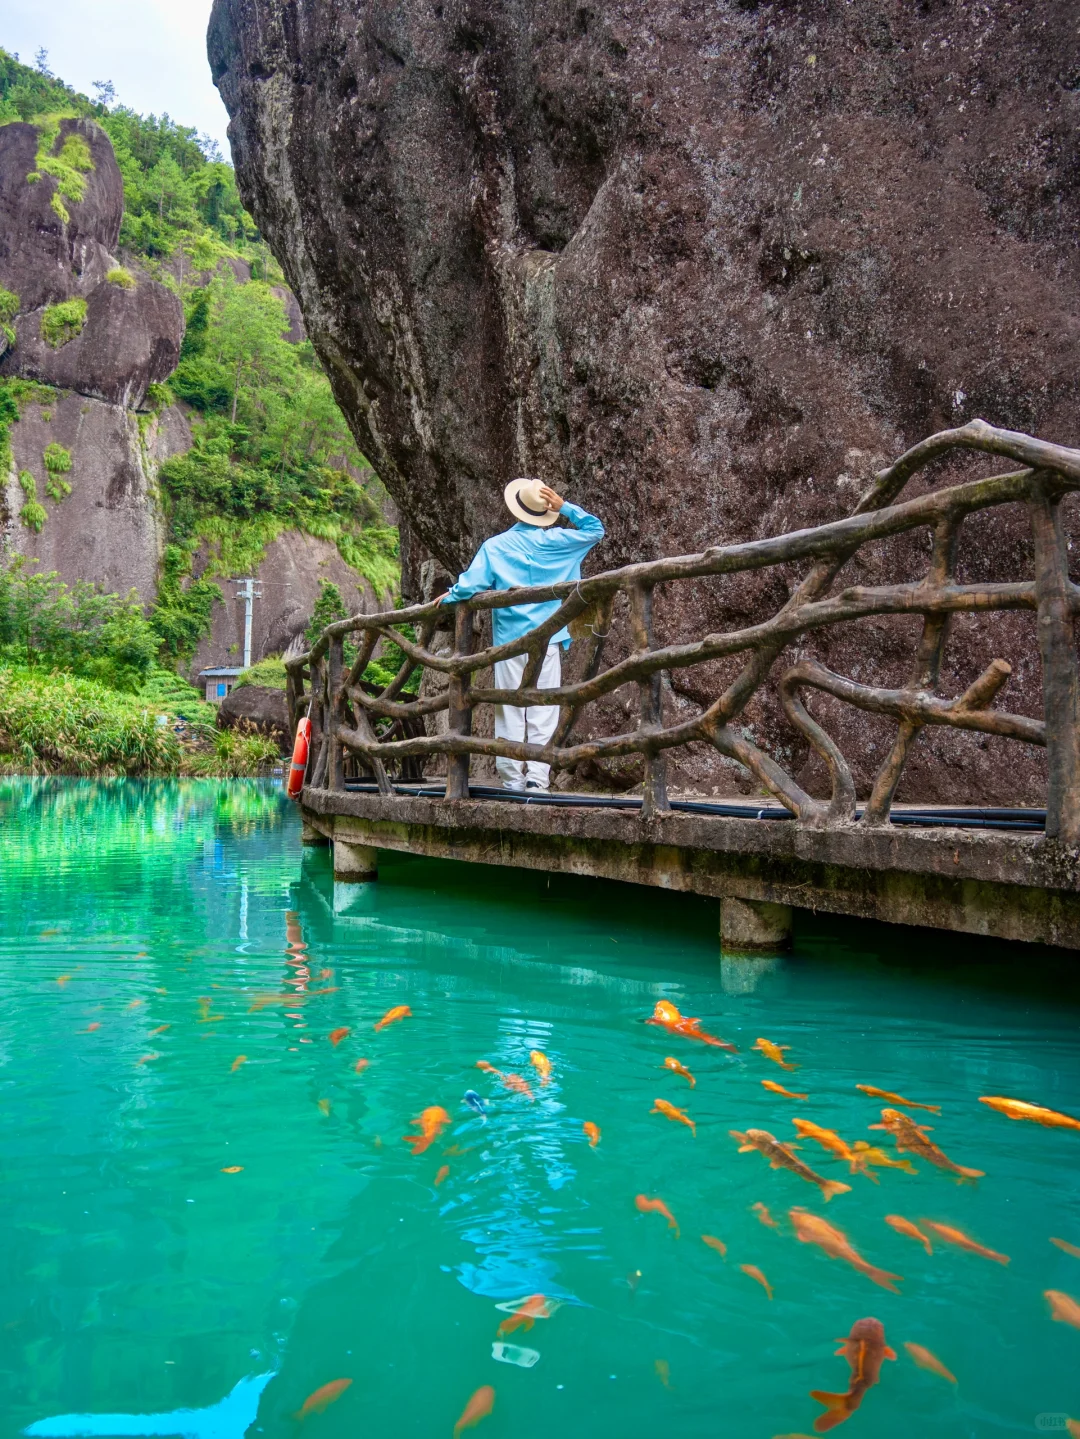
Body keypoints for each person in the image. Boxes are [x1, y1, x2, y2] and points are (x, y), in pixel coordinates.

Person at [438, 479, 605, 791]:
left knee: (509, 707)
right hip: (549, 636)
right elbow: (596, 530)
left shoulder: (496, 546)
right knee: (545, 706)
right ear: (545, 512)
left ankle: (512, 779)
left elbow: (470, 585)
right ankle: (538, 780)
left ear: (517, 509)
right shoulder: (559, 542)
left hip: (509, 639)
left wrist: (450, 596)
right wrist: (565, 507)